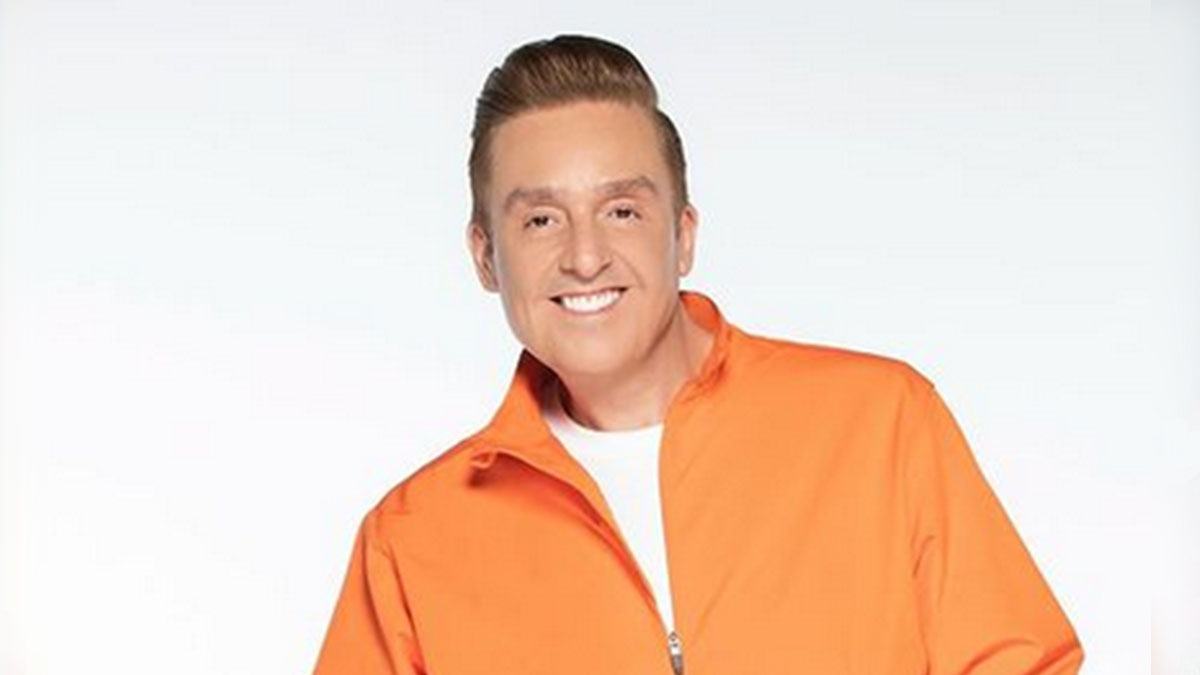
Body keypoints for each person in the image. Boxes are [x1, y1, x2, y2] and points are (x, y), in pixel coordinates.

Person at [312, 34, 1084, 674]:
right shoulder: (412, 539)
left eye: (621, 210)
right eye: (541, 220)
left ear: (682, 236)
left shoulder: (879, 423)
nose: (585, 256)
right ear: (486, 257)